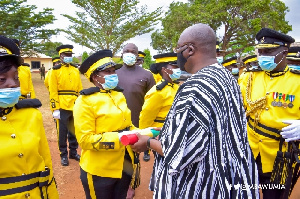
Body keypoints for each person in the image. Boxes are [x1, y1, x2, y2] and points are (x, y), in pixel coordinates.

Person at [131, 23, 259, 198]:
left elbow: (180, 154)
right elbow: (211, 127)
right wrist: (169, 130)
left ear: (190, 50)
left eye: (178, 49)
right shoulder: (226, 76)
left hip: (204, 186)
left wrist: (146, 143)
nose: (177, 56)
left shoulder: (194, 87)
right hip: (232, 178)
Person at [238, 28, 300, 199]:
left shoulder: (297, 81)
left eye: (268, 51)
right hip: (248, 152)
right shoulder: (249, 77)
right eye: (261, 51)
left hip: (280, 158)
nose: (263, 55)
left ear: (284, 52)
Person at [73, 49, 140, 199]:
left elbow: (128, 126)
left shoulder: (118, 95)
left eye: (114, 71)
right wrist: (121, 138)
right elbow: (85, 140)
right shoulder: (85, 101)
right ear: (96, 77)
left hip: (124, 164)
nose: (113, 75)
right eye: (108, 72)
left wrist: (143, 133)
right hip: (99, 171)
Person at [0, 35, 59, 198]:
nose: (12, 84)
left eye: (15, 78)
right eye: (2, 79)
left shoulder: (31, 115)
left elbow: (46, 165)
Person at [140, 52, 180, 162]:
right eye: (175, 66)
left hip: (175, 130)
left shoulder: (176, 87)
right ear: (164, 69)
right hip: (161, 134)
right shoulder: (158, 92)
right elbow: (145, 117)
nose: (178, 69)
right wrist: (144, 136)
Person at [48, 44, 82, 166]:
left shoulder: (75, 70)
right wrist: (55, 108)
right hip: (62, 105)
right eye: (66, 55)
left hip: (75, 104)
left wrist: (81, 103)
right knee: (62, 132)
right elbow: (52, 91)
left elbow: (79, 88)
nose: (68, 57)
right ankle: (63, 154)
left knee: (73, 131)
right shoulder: (55, 71)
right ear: (61, 56)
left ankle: (73, 152)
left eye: (70, 55)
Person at [116, 43, 156, 128]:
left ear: (137, 56)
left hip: (139, 123)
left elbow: (152, 101)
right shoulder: (113, 75)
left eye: (133, 52)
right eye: (127, 51)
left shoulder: (147, 75)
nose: (129, 54)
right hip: (117, 123)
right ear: (122, 54)